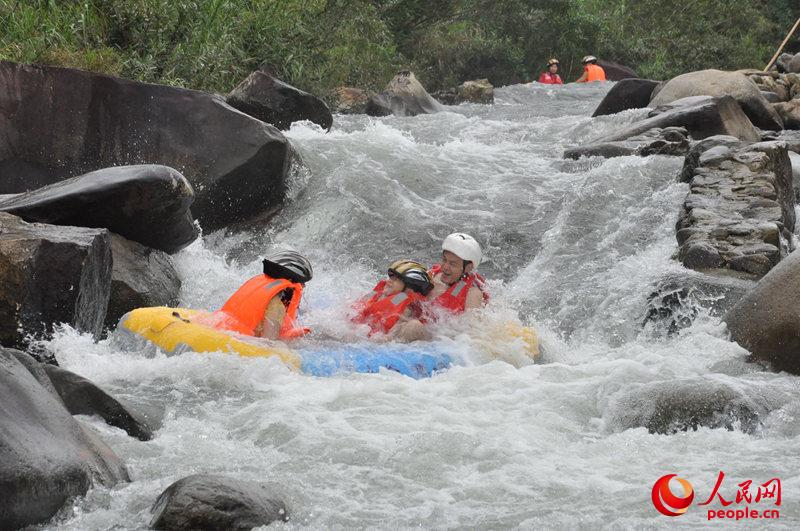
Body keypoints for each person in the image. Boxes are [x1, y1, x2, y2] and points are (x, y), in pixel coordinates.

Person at [209, 251, 313, 340]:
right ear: (290, 280)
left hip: (216, 325)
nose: (303, 286)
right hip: (232, 340)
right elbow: (268, 342)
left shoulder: (257, 285)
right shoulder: (277, 307)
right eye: (302, 282)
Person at [352, 259, 433, 339]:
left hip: (391, 341)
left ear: (409, 288)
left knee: (414, 326)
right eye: (391, 277)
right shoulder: (382, 294)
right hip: (370, 333)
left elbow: (393, 333)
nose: (389, 281)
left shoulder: (405, 303)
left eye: (396, 279)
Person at [428, 233, 488, 314]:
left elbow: (472, 325)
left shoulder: (473, 295)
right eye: (444, 260)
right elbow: (406, 297)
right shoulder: (432, 276)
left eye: (452, 264)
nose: (445, 267)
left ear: (468, 268)